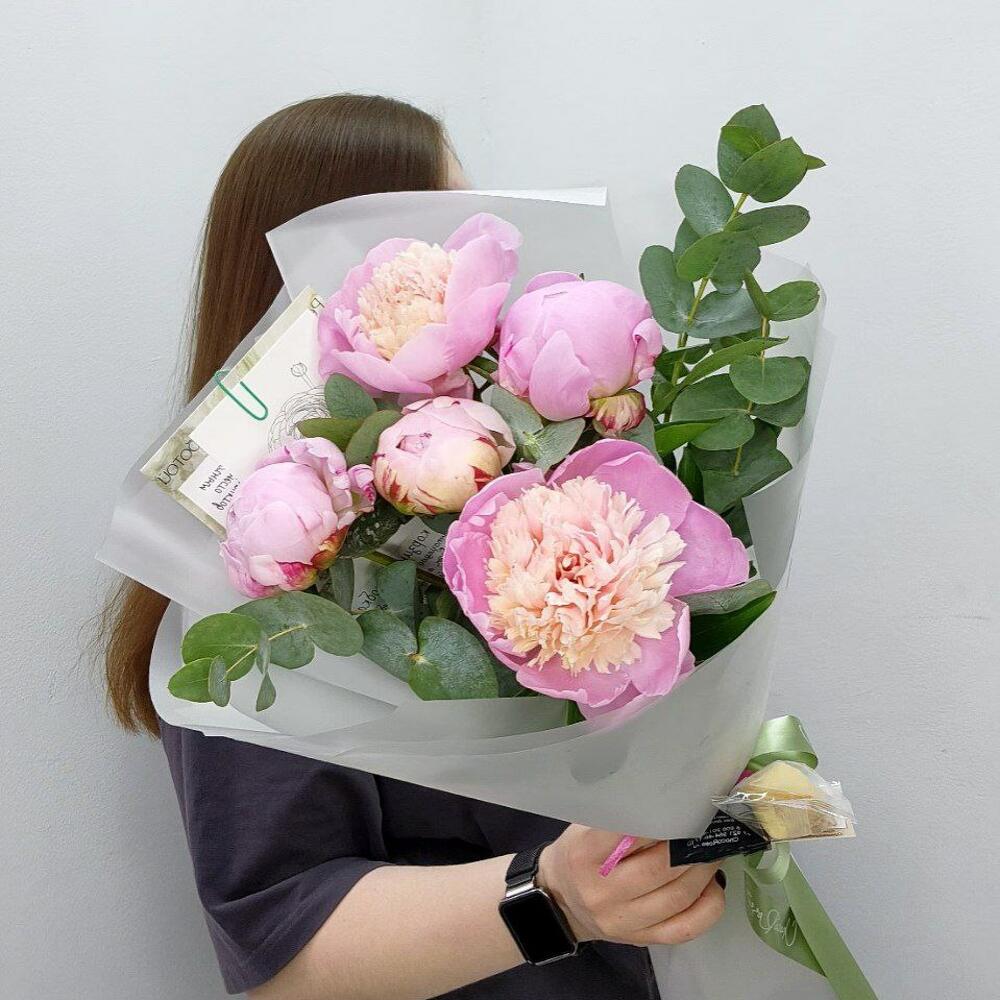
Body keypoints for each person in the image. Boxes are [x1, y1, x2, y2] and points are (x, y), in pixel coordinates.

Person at [99, 94, 725, 1000]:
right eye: (437, 239)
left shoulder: (505, 509)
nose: (483, 280)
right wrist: (553, 898)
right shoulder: (263, 575)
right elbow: (281, 950)